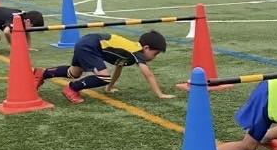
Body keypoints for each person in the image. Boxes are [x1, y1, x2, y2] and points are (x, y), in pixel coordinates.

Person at [33, 30, 174, 104]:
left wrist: (109, 88)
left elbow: (118, 69)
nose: (154, 57)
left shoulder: (129, 54)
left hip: (87, 42)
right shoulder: (136, 51)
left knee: (74, 72)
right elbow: (148, 75)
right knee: (103, 77)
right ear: (146, 48)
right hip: (91, 45)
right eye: (155, 53)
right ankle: (72, 88)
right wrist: (160, 94)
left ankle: (42, 73)